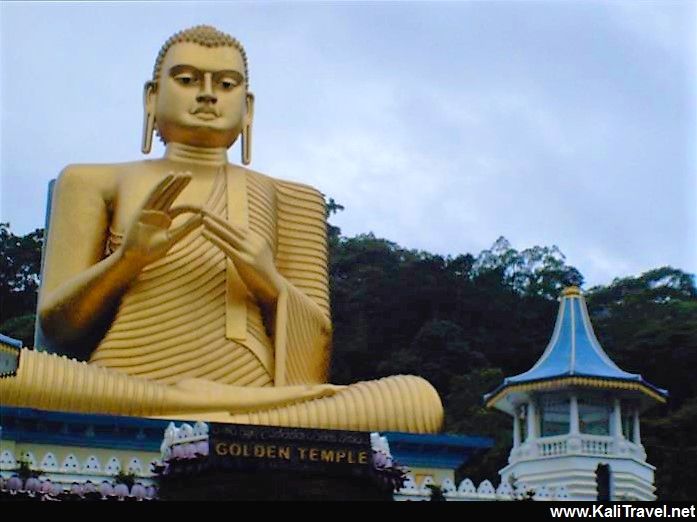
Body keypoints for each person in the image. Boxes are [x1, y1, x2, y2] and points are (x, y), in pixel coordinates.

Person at [0, 26, 443, 433]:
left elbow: (312, 367)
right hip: (117, 384)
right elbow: (57, 330)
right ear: (151, 99)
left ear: (247, 107)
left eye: (226, 84)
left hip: (261, 397)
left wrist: (268, 283)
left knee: (418, 401)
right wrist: (127, 260)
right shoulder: (92, 181)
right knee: (6, 369)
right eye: (188, 79)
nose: (208, 95)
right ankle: (203, 410)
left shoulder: (294, 198)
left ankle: (200, 410)